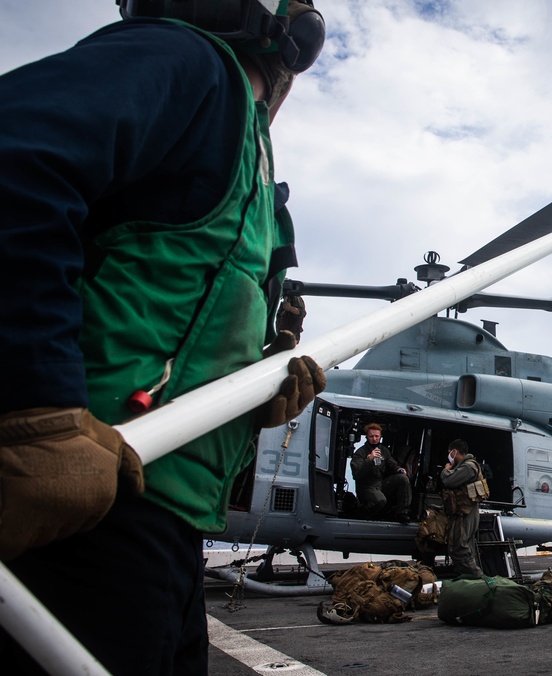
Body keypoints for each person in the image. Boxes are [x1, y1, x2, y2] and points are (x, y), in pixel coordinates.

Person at [0, 1, 327, 673]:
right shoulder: (187, 65)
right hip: (82, 494)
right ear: (290, 33)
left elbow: (171, 316)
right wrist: (35, 407)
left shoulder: (253, 163)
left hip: (170, 518)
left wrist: (251, 397)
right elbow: (14, 163)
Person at [440, 439, 488, 576]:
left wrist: (446, 470)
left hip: (466, 513)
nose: (449, 456)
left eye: (450, 453)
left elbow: (448, 480)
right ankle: (469, 578)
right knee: (465, 547)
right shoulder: (466, 466)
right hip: (464, 512)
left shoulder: (468, 467)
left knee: (459, 547)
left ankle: (478, 578)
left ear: (454, 452)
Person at [350, 422, 412, 522]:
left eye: (376, 436)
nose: (374, 439)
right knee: (380, 500)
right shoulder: (360, 452)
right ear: (367, 437)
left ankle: (402, 513)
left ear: (380, 437)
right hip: (366, 487)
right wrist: (369, 460)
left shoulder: (384, 450)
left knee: (403, 478)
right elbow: (356, 474)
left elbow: (392, 464)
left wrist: (399, 469)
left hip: (380, 484)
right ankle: (360, 513)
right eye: (371, 436)